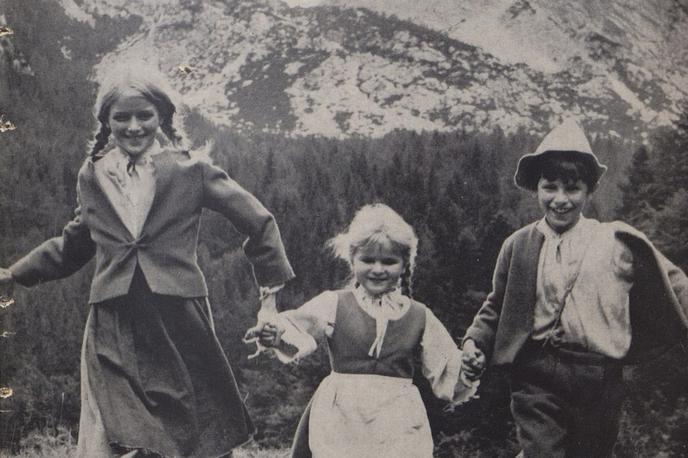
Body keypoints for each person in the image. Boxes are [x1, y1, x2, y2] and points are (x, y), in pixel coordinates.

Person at [0, 68, 295, 457]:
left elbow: (258, 222)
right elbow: (74, 243)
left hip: (178, 318)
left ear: (163, 118)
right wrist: (15, 273)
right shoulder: (93, 175)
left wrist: (269, 295)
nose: (134, 127)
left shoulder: (192, 171)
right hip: (112, 321)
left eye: (145, 116)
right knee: (113, 429)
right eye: (121, 117)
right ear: (106, 122)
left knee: (191, 428)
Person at [460, 118, 688, 457]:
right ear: (536, 188)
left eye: (573, 188)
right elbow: (496, 304)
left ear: (589, 191)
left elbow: (675, 284)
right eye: (550, 187)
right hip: (536, 373)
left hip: (598, 377)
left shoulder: (616, 241)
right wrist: (473, 342)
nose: (560, 199)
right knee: (542, 451)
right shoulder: (518, 245)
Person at [245, 203, 478, 458]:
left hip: (396, 423)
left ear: (404, 265)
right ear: (353, 260)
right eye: (368, 260)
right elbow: (300, 328)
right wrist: (275, 335)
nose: (378, 269)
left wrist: (468, 367)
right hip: (342, 420)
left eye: (389, 261)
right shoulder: (334, 303)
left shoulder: (419, 316)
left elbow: (445, 366)